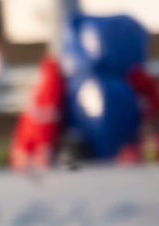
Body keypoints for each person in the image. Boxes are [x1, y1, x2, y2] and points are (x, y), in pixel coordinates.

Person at [10, 6, 157, 167]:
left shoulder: (135, 80)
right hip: (75, 149)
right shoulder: (56, 80)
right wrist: (37, 147)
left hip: (122, 152)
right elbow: (44, 113)